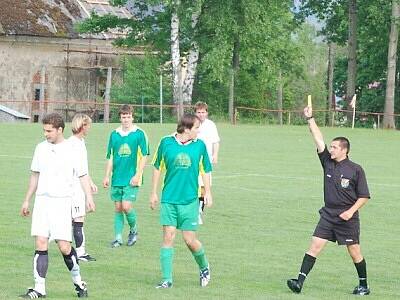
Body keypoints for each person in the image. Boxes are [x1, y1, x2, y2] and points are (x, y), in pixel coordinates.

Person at [287, 106, 371, 296]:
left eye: (334, 147)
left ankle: (364, 285)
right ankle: (298, 282)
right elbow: (318, 138)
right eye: (330, 146)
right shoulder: (327, 162)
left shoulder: (356, 169)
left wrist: (350, 211)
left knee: (354, 252)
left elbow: (364, 195)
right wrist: (310, 119)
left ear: (344, 150)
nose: (330, 149)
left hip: (347, 217)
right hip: (328, 214)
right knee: (315, 245)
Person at [20, 113, 95, 299]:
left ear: (60, 130)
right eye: (44, 130)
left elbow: (83, 175)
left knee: (64, 247)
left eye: (49, 131)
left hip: (62, 202)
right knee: (40, 242)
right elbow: (35, 175)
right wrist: (27, 199)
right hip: (42, 202)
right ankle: (39, 289)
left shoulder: (72, 149)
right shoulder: (40, 148)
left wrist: (89, 197)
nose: (46, 134)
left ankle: (78, 282)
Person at [150, 113, 213, 289]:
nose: (199, 131)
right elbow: (157, 167)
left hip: (190, 200)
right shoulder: (166, 142)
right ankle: (167, 279)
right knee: (168, 236)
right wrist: (153, 193)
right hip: (169, 199)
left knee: (189, 240)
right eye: (196, 128)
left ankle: (204, 266)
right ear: (186, 129)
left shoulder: (200, 146)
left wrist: (208, 192)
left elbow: (206, 170)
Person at [103, 104, 149, 248]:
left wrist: (138, 174)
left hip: (132, 178)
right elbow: (110, 157)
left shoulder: (139, 133)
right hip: (117, 177)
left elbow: (145, 156)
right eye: (123, 117)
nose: (126, 119)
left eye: (128, 117)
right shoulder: (114, 134)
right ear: (120, 118)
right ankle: (117, 238)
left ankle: (134, 230)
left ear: (132, 117)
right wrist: (107, 176)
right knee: (118, 208)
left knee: (126, 206)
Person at [68, 113, 98, 261]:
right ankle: (80, 253)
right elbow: (78, 171)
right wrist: (88, 196)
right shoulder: (73, 144)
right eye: (88, 125)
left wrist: (90, 182)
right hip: (74, 187)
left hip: (78, 184)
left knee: (74, 219)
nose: (89, 128)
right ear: (82, 126)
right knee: (78, 219)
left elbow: (83, 169)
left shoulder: (80, 142)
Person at [194, 101, 220, 224]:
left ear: (207, 113)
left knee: (204, 187)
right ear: (195, 113)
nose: (201, 114)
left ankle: (199, 212)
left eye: (203, 112)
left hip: (206, 161)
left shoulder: (211, 125)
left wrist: (215, 154)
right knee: (193, 186)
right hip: (193, 160)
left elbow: (216, 141)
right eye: (198, 112)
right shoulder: (192, 124)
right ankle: (191, 210)